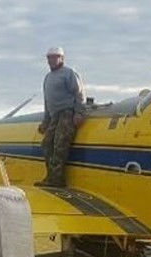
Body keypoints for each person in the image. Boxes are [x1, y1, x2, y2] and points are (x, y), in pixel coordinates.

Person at [37, 46, 86, 188]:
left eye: (54, 57)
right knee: (46, 144)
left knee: (60, 145)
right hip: (54, 116)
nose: (51, 60)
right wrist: (45, 122)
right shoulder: (48, 78)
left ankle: (57, 179)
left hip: (66, 113)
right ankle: (51, 176)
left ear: (61, 58)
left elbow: (79, 93)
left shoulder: (69, 73)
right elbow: (47, 102)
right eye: (49, 57)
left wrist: (79, 113)